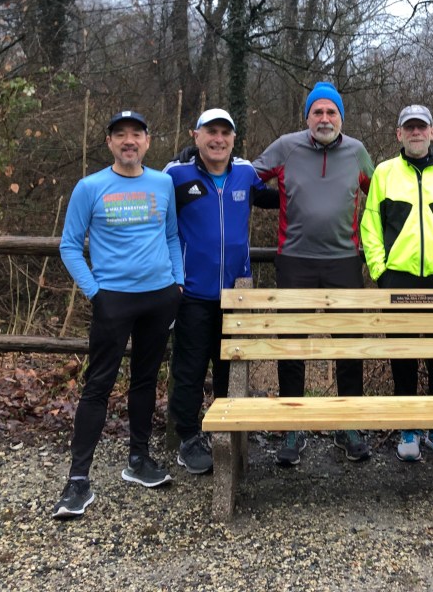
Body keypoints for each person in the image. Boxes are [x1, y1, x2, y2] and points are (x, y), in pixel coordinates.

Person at [53, 110, 184, 519]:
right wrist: (95, 293)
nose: (129, 141)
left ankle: (139, 460)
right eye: (120, 135)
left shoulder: (162, 183)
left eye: (137, 135)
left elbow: (172, 235)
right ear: (109, 143)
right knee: (98, 384)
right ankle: (78, 481)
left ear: (148, 141)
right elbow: (70, 245)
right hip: (113, 299)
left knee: (145, 380)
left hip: (160, 297)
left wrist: (177, 284)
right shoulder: (89, 187)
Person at [253, 82, 375, 466]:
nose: (325, 119)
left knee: (348, 343)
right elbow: (248, 182)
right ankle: (294, 425)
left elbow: (384, 191)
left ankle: (348, 424)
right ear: (307, 117)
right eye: (317, 112)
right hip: (295, 259)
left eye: (331, 112)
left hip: (344, 260)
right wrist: (283, 197)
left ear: (342, 117)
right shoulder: (286, 146)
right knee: (292, 343)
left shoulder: (357, 152)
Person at [163, 108, 278, 475]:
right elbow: (154, 218)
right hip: (192, 293)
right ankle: (188, 437)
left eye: (225, 133)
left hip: (237, 294)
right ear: (195, 135)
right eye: (210, 132)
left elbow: (280, 196)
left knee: (231, 369)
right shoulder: (175, 175)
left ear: (234, 139)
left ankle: (228, 432)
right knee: (190, 369)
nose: (218, 139)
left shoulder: (245, 174)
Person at [361, 104, 433, 463]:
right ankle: (408, 427)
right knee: (403, 354)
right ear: (398, 134)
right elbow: (371, 226)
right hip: (399, 278)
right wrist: (380, 271)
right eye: (409, 127)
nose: (415, 133)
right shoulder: (384, 172)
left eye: (421, 127)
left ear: (432, 131)